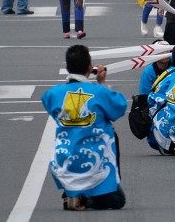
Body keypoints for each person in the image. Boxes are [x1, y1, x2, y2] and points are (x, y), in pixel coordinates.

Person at [41, 45, 127, 211]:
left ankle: (73, 193)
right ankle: (85, 199)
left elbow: (49, 105)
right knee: (118, 200)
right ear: (90, 67)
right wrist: (102, 82)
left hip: (64, 162)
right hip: (95, 162)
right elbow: (120, 107)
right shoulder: (98, 92)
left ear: (67, 68)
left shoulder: (54, 93)